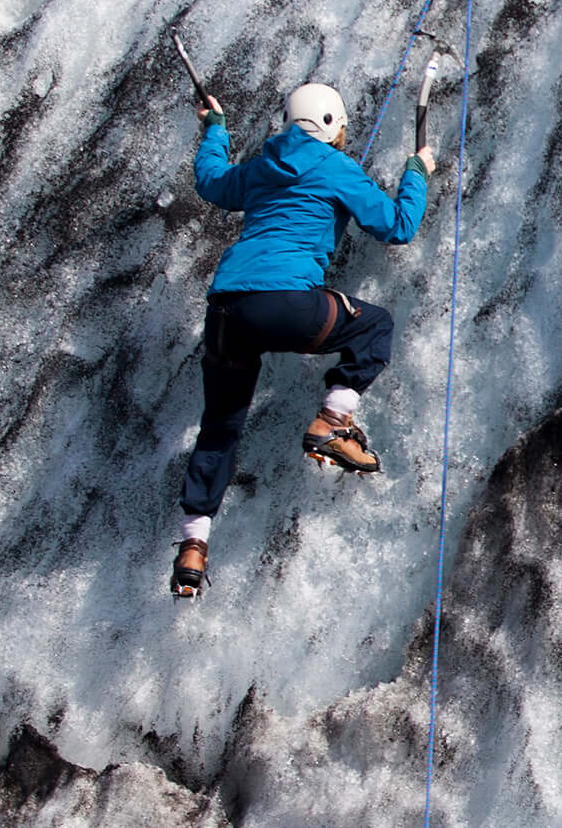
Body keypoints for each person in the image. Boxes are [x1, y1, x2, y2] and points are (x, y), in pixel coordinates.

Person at [171, 80, 435, 598]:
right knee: (374, 325)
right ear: (333, 126)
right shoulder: (337, 167)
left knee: (220, 428)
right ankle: (333, 422)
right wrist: (416, 172)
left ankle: (193, 545)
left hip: (225, 309)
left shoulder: (261, 167)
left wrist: (215, 129)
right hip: (284, 304)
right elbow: (399, 226)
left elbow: (211, 181)